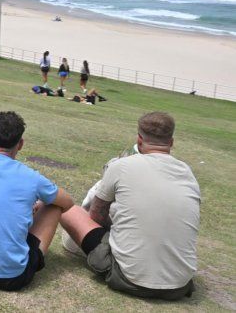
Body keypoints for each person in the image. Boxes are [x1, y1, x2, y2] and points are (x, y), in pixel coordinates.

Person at [59, 112, 199, 300]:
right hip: (180, 285)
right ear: (171, 142)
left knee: (69, 211)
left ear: (139, 140)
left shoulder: (121, 166)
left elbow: (96, 216)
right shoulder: (187, 173)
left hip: (128, 278)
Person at [0, 111, 74, 291]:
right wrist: (42, 203)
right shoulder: (31, 178)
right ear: (20, 144)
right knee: (55, 206)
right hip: (12, 277)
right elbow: (67, 202)